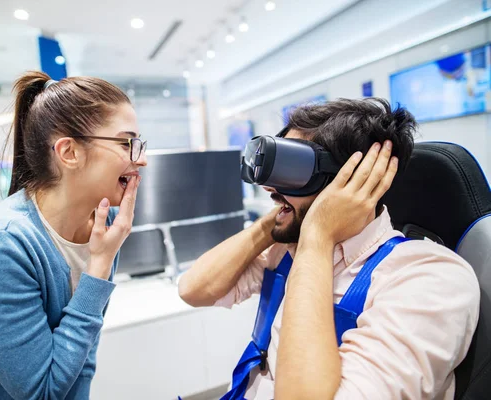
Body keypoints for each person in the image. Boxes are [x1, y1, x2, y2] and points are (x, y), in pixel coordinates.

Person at [178, 98, 479, 399]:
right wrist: (277, 219)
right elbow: (195, 289)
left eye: (288, 172)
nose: (269, 189)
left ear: (352, 179)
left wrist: (318, 235)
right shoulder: (286, 250)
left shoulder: (426, 278)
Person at [0, 71, 147, 399]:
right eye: (127, 142)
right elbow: (41, 393)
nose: (141, 158)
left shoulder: (104, 222)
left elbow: (83, 351)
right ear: (69, 152)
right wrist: (98, 266)